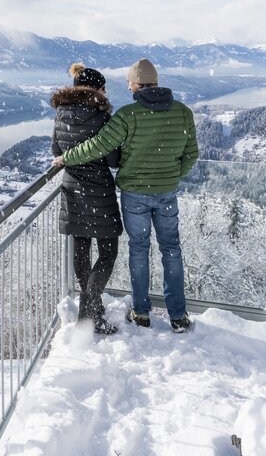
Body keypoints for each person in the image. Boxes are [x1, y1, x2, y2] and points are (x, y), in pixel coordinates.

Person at [52, 58, 198, 333]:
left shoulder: (127, 115)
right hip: (161, 192)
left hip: (127, 193)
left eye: (130, 82)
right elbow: (191, 154)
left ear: (138, 84)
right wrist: (171, 175)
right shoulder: (183, 112)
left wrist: (67, 157)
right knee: (171, 249)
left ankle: (140, 312)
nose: (128, 87)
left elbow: (98, 146)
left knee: (138, 249)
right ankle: (178, 315)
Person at [51, 63, 122, 335]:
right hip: (99, 192)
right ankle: (88, 313)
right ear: (95, 89)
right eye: (103, 88)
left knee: (81, 252)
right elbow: (113, 159)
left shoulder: (61, 113)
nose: (106, 93)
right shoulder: (102, 117)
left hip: (73, 191)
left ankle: (93, 312)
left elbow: (56, 149)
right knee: (108, 252)